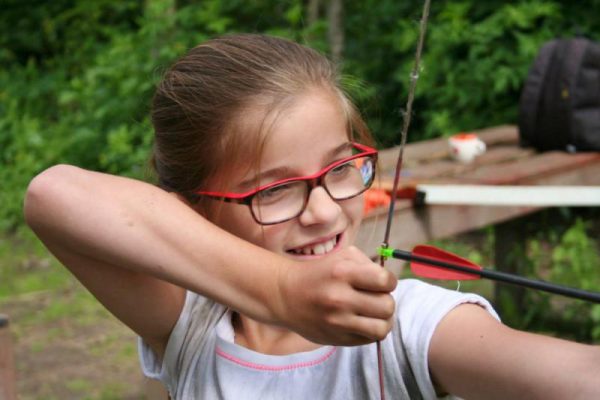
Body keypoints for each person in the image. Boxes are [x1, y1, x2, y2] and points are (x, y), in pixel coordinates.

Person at [24, 34, 599, 399]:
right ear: (196, 209)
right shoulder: (193, 323)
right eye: (272, 190)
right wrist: (280, 292)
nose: (324, 210)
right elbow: (54, 194)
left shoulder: (410, 324)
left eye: (342, 167)